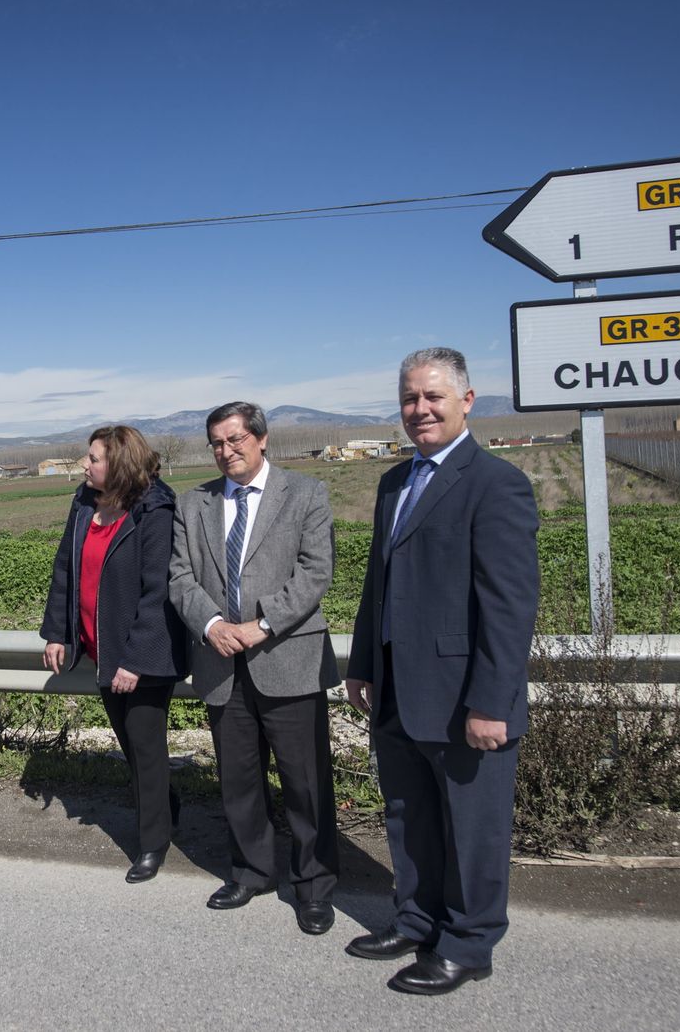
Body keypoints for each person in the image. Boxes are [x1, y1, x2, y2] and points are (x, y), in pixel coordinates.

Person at [345, 347, 540, 997]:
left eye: (433, 396)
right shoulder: (393, 483)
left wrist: (491, 702)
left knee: (472, 829)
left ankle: (468, 943)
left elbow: (509, 607)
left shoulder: (496, 483)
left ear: (466, 401)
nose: (420, 409)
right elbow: (379, 584)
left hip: (464, 698)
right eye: (410, 398)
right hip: (397, 689)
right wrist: (364, 665)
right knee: (410, 818)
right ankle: (417, 920)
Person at [169, 402, 340, 935]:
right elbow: (180, 576)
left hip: (287, 657)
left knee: (305, 782)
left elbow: (316, 572)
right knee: (238, 778)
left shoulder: (305, 493)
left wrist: (261, 625)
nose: (226, 451)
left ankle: (313, 886)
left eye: (236, 439)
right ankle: (252, 871)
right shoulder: (192, 503)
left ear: (262, 439)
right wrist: (213, 625)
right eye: (217, 443)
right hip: (221, 661)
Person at [40, 426, 189, 883]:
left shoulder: (154, 509)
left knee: (144, 746)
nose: (85, 465)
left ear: (119, 464)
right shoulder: (85, 503)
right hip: (101, 650)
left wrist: (136, 660)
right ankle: (165, 806)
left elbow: (158, 592)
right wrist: (57, 633)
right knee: (132, 745)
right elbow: (65, 569)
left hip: (143, 656)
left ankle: (152, 844)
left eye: (94, 458)